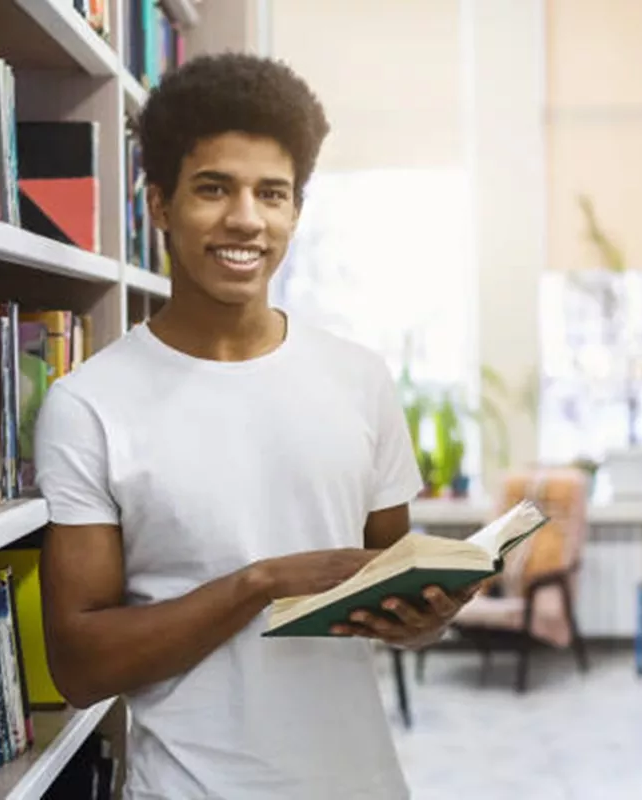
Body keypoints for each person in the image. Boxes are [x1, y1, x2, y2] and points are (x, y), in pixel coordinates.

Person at [32, 52, 480, 800]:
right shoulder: (88, 405)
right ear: (159, 206)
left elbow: (391, 587)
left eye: (271, 194)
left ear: (295, 213)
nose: (246, 218)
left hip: (362, 783)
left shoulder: (359, 380)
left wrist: (423, 619)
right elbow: (80, 666)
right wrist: (260, 584)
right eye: (214, 188)